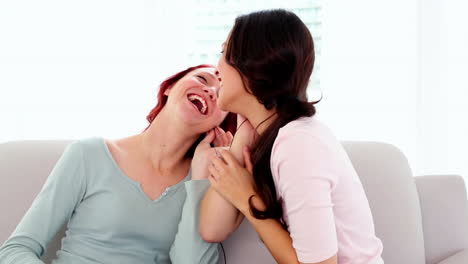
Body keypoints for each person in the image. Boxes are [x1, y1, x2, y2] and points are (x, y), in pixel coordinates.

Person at [0, 64, 236, 264]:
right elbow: (14, 251)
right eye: (202, 78)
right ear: (171, 87)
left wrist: (201, 181)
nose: (210, 90)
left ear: (220, 124)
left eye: (221, 92)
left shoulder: (203, 183)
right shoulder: (89, 155)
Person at [199, 9, 385, 264]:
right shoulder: (267, 133)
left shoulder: (298, 143)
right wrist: (243, 132)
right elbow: (211, 229)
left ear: (253, 66)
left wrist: (248, 199)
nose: (216, 66)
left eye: (223, 52)